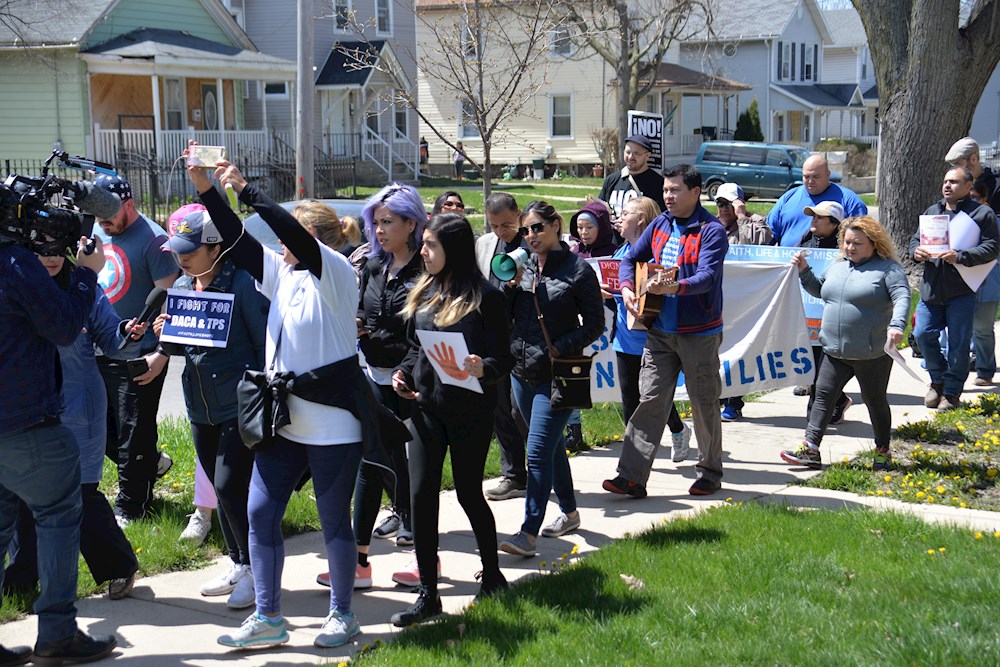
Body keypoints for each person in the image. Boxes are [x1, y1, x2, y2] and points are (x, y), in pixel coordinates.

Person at [186, 149, 367, 650]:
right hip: (283, 424)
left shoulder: (334, 273)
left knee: (334, 523)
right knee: (259, 513)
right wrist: (208, 188)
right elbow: (241, 242)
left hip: (332, 425)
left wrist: (247, 191)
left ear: (308, 239)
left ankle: (343, 615)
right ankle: (268, 616)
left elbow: (284, 230)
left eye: (287, 238)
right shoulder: (282, 273)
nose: (277, 245)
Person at [139, 207, 268, 611]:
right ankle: (237, 563)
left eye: (190, 250)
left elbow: (264, 344)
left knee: (232, 489)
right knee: (219, 489)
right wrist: (164, 340)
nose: (181, 258)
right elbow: (184, 341)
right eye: (177, 251)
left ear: (217, 247)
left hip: (237, 405)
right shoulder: (182, 283)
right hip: (200, 408)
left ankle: (254, 571)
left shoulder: (243, 284)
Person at [5, 241, 148, 604]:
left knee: (80, 493)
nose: (51, 258)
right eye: (41, 250)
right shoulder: (15, 281)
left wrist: (128, 334)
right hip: (28, 408)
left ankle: (118, 566)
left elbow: (113, 342)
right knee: (21, 495)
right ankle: (22, 580)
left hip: (77, 409)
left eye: (57, 250)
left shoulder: (82, 288)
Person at [389, 213, 513, 626]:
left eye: (430, 245)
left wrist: (483, 366)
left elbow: (504, 357)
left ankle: (492, 575)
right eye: (423, 244)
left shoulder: (485, 297)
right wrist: (404, 373)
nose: (422, 252)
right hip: (426, 409)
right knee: (421, 496)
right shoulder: (424, 292)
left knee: (467, 494)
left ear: (453, 251)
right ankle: (429, 594)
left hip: (470, 413)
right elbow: (415, 348)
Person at [0, 230, 118, 665]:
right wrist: (86, 275)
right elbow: (65, 327)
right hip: (26, 424)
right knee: (58, 520)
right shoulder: (15, 263)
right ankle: (57, 636)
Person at [603, 164, 728, 499]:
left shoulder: (711, 230)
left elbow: (708, 278)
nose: (668, 196)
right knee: (650, 401)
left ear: (695, 192)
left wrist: (675, 288)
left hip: (698, 332)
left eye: (675, 190)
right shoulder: (660, 224)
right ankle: (631, 476)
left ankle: (709, 472)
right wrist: (628, 287)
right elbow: (631, 259)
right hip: (658, 330)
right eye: (666, 190)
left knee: (704, 403)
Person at [498, 201, 604, 558]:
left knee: (538, 452)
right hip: (521, 373)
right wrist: (509, 286)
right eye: (526, 230)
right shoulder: (523, 265)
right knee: (552, 446)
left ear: (556, 226)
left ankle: (528, 532)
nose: (531, 235)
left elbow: (595, 324)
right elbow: (504, 314)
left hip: (557, 375)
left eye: (538, 228)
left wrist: (561, 346)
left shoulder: (578, 270)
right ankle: (570, 513)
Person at [781, 216, 911, 471]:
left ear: (874, 244)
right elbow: (819, 291)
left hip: (871, 354)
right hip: (834, 351)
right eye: (847, 242)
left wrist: (897, 326)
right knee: (822, 396)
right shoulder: (837, 265)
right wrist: (804, 271)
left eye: (857, 243)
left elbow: (903, 297)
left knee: (875, 401)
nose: (850, 248)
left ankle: (883, 451)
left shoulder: (888, 270)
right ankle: (810, 448)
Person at [91, 173, 180, 526]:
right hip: (97, 349)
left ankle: (131, 506)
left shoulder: (154, 241)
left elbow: (168, 304)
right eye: (97, 215)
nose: (102, 222)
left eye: (108, 214)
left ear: (128, 204)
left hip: (139, 354)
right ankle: (151, 463)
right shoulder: (97, 231)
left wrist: (161, 353)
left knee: (133, 433)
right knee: (102, 430)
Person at [355, 183, 426, 582]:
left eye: (388, 222)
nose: (379, 230)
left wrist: (406, 367)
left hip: (411, 380)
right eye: (375, 222)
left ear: (410, 223)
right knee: (371, 461)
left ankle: (420, 547)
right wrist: (360, 326)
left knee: (413, 463)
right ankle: (358, 561)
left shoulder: (425, 269)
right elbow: (367, 313)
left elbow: (421, 332)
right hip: (373, 375)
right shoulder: (373, 266)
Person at [605, 196, 692, 463]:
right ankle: (635, 458)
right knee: (630, 399)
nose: (619, 218)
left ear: (640, 219)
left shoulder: (657, 253)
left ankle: (678, 430)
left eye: (626, 213)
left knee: (653, 397)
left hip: (652, 334)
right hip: (624, 335)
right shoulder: (620, 253)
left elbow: (659, 292)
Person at [911, 167, 1000, 410]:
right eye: (945, 181)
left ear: (969, 186)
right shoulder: (933, 211)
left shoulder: (982, 213)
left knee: (959, 344)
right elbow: (915, 240)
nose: (947, 185)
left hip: (962, 290)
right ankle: (937, 378)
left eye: (954, 181)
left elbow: (992, 247)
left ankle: (951, 392)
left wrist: (961, 256)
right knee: (922, 334)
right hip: (932, 289)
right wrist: (915, 251)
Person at [476, 193, 531, 501]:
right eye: (495, 225)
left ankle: (539, 470)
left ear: (519, 216)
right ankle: (513, 475)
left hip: (522, 339)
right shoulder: (485, 245)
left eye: (507, 224)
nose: (501, 231)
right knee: (500, 411)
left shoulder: (530, 245)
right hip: (493, 341)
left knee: (521, 409)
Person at [714, 182, 772, 421]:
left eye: (729, 203)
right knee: (716, 349)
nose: (724, 208)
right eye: (720, 203)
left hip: (746, 300)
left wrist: (742, 218)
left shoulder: (756, 222)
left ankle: (734, 401)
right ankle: (717, 394)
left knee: (739, 351)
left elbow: (755, 248)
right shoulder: (710, 226)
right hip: (717, 297)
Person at [796, 201, 853, 426]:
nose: (814, 220)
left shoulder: (844, 251)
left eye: (819, 217)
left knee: (822, 371)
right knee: (812, 369)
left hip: (830, 319)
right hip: (807, 316)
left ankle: (813, 422)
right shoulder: (806, 242)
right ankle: (837, 401)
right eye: (813, 216)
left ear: (835, 225)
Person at [766, 155, 868, 247]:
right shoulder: (788, 197)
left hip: (831, 264)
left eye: (816, 176)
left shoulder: (850, 201)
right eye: (806, 177)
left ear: (828, 174)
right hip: (789, 262)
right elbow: (769, 235)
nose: (810, 181)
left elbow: (860, 241)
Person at [970, 179, 1000, 386]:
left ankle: (985, 369)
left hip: (988, 284)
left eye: (974, 198)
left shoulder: (995, 223)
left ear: (984, 200)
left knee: (982, 328)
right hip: (959, 286)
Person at [598, 134, 666, 219]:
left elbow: (660, 218)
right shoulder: (611, 180)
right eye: (628, 152)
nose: (630, 157)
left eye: (636, 153)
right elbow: (599, 209)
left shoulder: (658, 183)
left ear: (647, 155)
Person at [945, 136, 1000, 213]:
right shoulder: (956, 186)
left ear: (973, 159)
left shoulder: (996, 185)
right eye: (953, 166)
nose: (956, 170)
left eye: (958, 164)